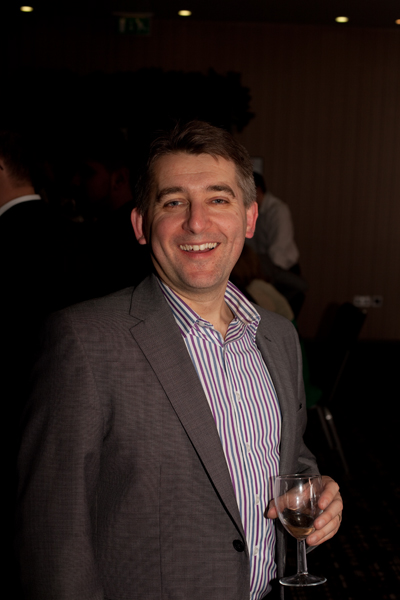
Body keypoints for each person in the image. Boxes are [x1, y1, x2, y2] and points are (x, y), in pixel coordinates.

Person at [16, 121, 342, 600]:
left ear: (249, 218)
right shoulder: (83, 341)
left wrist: (317, 490)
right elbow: (51, 533)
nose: (196, 222)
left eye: (218, 199)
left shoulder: (278, 337)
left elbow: (291, 459)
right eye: (173, 202)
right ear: (140, 225)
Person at [246, 173, 307, 318]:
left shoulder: (277, 210)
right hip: (262, 272)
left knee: (282, 317)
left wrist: (261, 273)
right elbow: (248, 244)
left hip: (282, 271)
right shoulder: (250, 212)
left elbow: (278, 250)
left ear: (258, 190)